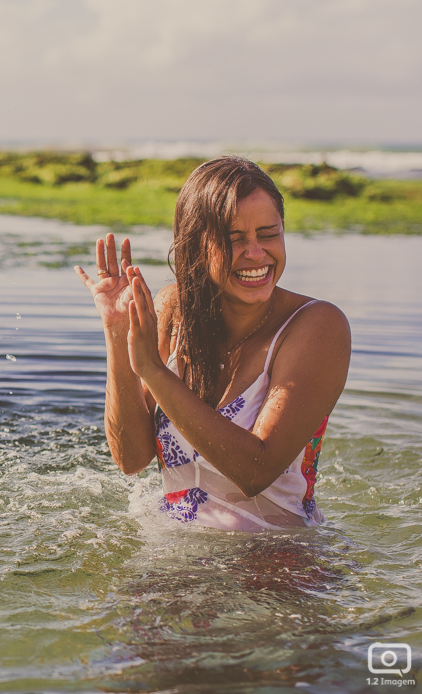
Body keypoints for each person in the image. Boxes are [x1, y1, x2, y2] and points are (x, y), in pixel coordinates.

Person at [75, 156, 351, 531]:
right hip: (172, 549)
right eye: (234, 239)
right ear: (195, 245)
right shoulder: (173, 311)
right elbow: (131, 459)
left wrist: (154, 372)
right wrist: (118, 331)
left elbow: (256, 471)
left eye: (268, 234)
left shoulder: (317, 326)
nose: (256, 253)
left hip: (276, 556)